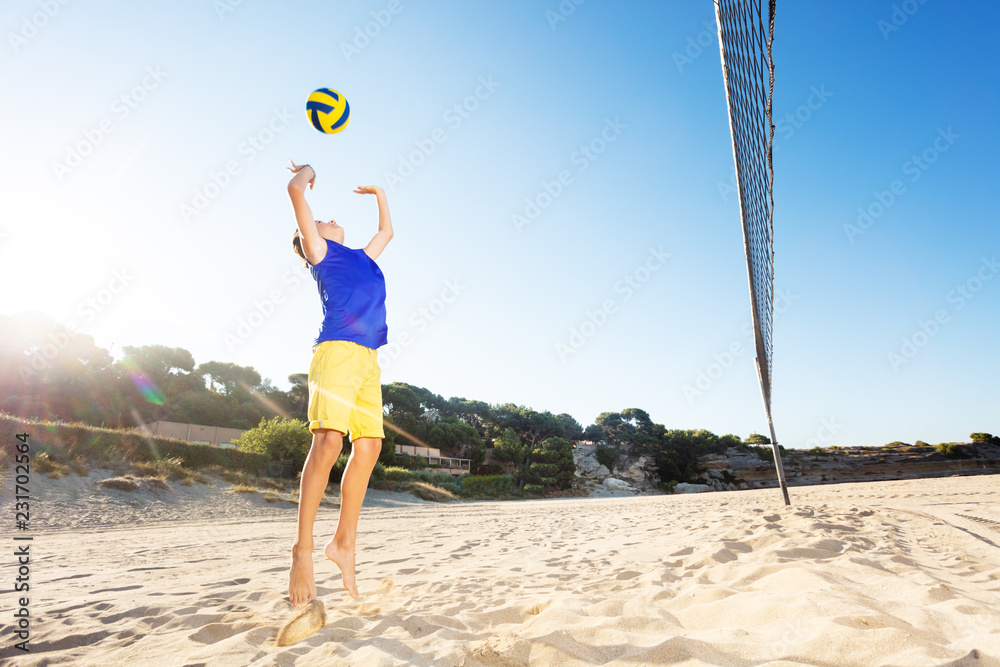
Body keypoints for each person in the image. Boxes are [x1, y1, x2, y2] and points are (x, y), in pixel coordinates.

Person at [285, 160, 393, 608]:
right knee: (329, 441)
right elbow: (295, 191)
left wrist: (380, 194)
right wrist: (307, 172)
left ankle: (344, 543)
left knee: (369, 448)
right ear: (313, 237)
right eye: (323, 220)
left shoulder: (363, 259)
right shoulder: (320, 253)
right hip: (337, 352)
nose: (331, 220)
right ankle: (302, 550)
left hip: (368, 360)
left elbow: (386, 233)